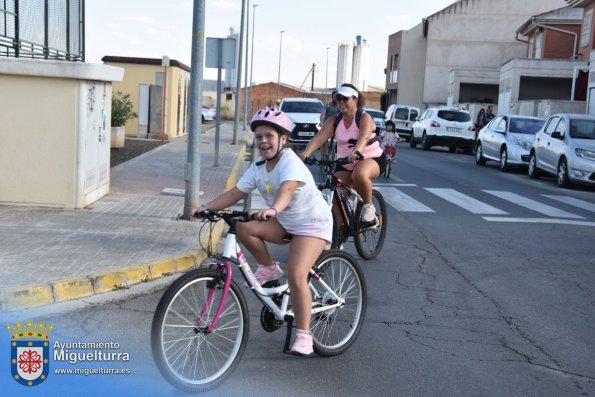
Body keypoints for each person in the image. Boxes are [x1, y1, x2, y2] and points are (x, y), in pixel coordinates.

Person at [195, 107, 332, 356]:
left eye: (269, 136)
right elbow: (236, 193)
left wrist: (274, 209)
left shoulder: (291, 161)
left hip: (311, 224)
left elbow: (288, 189)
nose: (263, 141)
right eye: (259, 137)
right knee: (243, 226)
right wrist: (206, 207)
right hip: (285, 221)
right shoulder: (258, 166)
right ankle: (268, 267)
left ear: (282, 138)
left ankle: (304, 335)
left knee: (296, 274)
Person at [301, 83, 387, 224]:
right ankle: (338, 236)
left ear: (355, 100)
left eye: (345, 99)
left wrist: (357, 151)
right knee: (332, 188)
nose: (341, 102)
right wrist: (306, 153)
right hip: (346, 162)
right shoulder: (335, 120)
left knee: (359, 174)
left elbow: (364, 137)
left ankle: (368, 205)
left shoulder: (364, 117)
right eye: (338, 98)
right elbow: (320, 137)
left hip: (372, 158)